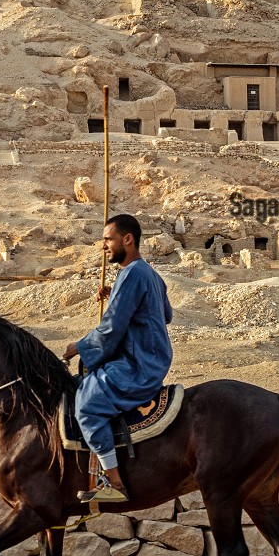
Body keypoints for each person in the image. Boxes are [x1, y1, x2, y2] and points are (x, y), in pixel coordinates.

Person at [63, 213, 173, 502]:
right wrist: (117, 295)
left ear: (128, 239)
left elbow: (111, 330)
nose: (104, 247)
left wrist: (80, 347)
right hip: (151, 357)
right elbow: (166, 314)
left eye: (108, 239)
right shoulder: (148, 273)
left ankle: (113, 482)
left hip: (139, 364)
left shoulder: (133, 274)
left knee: (86, 405)